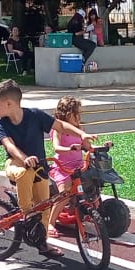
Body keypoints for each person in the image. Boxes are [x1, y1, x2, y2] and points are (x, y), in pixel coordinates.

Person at [0, 78, 94, 259]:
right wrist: (24, 158)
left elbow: (60, 126)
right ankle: (26, 212)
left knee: (45, 209)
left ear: (9, 103)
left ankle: (43, 244)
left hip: (39, 168)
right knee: (23, 173)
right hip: (16, 164)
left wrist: (81, 133)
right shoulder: (1, 123)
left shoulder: (35, 115)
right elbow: (9, 146)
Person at [48, 96, 85, 238]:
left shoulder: (79, 128)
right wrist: (70, 148)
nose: (79, 116)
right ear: (69, 115)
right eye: (77, 113)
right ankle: (50, 222)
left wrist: (99, 146)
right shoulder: (58, 129)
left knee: (92, 181)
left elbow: (87, 145)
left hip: (79, 166)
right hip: (63, 167)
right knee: (65, 193)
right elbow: (56, 148)